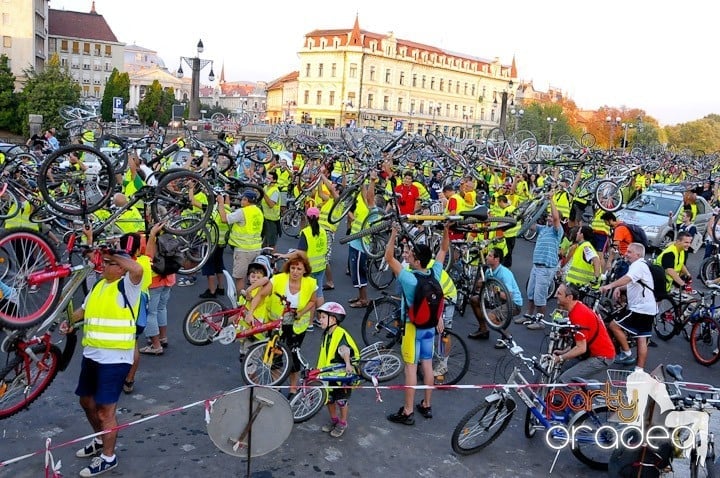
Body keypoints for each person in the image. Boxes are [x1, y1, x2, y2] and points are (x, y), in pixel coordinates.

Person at [68, 229, 145, 477]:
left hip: (115, 359)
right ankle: (100, 440)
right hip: (92, 355)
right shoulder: (100, 286)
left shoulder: (128, 286)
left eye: (111, 264)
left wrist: (112, 253)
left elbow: (138, 270)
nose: (105, 267)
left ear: (121, 268)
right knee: (86, 402)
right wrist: (69, 321)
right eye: (105, 263)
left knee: (105, 410)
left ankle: (108, 457)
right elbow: (83, 310)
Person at [384, 223, 447, 426]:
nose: (408, 255)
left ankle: (408, 411)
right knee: (427, 365)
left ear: (417, 261)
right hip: (429, 327)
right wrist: (447, 229)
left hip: (412, 328)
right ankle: (426, 405)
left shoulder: (409, 279)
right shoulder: (435, 273)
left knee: (410, 369)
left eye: (410, 254)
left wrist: (393, 234)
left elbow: (389, 258)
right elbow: (444, 249)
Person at [246, 255, 317, 400]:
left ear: (305, 270)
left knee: (293, 356)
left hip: (297, 325)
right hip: (277, 323)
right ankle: (277, 386)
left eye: (299, 269)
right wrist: (250, 313)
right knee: (275, 354)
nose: (295, 272)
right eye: (293, 268)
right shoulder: (278, 280)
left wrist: (301, 313)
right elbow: (260, 295)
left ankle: (292, 389)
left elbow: (312, 301)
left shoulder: (310, 283)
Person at [600, 242, 658, 369]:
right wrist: (620, 288)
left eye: (630, 252)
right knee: (642, 338)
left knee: (614, 325)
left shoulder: (637, 265)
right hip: (649, 308)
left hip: (640, 309)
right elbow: (634, 283)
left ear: (638, 254)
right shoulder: (643, 265)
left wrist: (609, 286)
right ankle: (639, 370)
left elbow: (628, 278)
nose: (626, 254)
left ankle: (626, 353)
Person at [551, 283, 615, 383]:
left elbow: (581, 348)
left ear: (569, 297)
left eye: (559, 293)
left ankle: (570, 397)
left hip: (601, 358)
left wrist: (560, 358)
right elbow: (581, 341)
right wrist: (564, 352)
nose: (555, 296)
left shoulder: (578, 315)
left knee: (565, 380)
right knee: (564, 369)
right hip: (593, 353)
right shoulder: (576, 308)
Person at [316, 302, 360, 438]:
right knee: (329, 398)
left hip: (342, 376)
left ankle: (342, 422)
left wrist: (347, 363)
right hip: (329, 373)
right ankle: (334, 420)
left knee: (341, 400)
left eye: (323, 317)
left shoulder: (340, 333)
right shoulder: (327, 333)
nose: (320, 320)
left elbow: (344, 350)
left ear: (333, 319)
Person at [468, 247, 523, 348]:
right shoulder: (489, 271)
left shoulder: (505, 273)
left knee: (490, 318)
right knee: (474, 300)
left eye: (489, 255)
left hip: (513, 304)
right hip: (497, 300)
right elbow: (481, 285)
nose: (486, 257)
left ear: (496, 259)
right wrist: (478, 282)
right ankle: (483, 330)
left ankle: (507, 337)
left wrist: (496, 290)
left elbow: (508, 296)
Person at [524, 195, 563, 323]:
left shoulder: (557, 230)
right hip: (536, 266)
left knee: (540, 297)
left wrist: (551, 200)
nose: (549, 218)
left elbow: (556, 218)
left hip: (546, 268)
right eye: (549, 216)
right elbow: (530, 225)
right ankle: (529, 316)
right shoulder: (543, 229)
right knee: (531, 294)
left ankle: (540, 322)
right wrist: (531, 209)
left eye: (551, 216)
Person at [138, 224, 175, 356]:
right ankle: (163, 337)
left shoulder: (148, 239)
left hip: (154, 281)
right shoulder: (171, 236)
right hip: (169, 278)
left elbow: (148, 257)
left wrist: (152, 235)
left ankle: (156, 345)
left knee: (150, 313)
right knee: (162, 308)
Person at [217, 190, 264, 293]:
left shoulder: (242, 212)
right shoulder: (258, 211)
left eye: (242, 199)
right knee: (254, 278)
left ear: (246, 200)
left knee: (240, 278)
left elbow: (224, 219)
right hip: (256, 248)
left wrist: (221, 203)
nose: (241, 201)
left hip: (243, 249)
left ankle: (241, 303)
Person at [347, 170, 377, 308]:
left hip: (361, 245)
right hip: (355, 242)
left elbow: (370, 197)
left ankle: (364, 299)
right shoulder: (367, 207)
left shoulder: (373, 211)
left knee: (359, 272)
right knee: (356, 272)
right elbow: (366, 195)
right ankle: (360, 296)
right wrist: (363, 182)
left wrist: (372, 181)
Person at [261, 170, 281, 249]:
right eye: (266, 178)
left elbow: (271, 204)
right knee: (263, 240)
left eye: (269, 178)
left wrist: (263, 194)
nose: (267, 179)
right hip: (264, 217)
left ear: (274, 180)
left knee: (271, 243)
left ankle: (273, 260)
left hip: (272, 220)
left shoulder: (275, 191)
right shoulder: (266, 187)